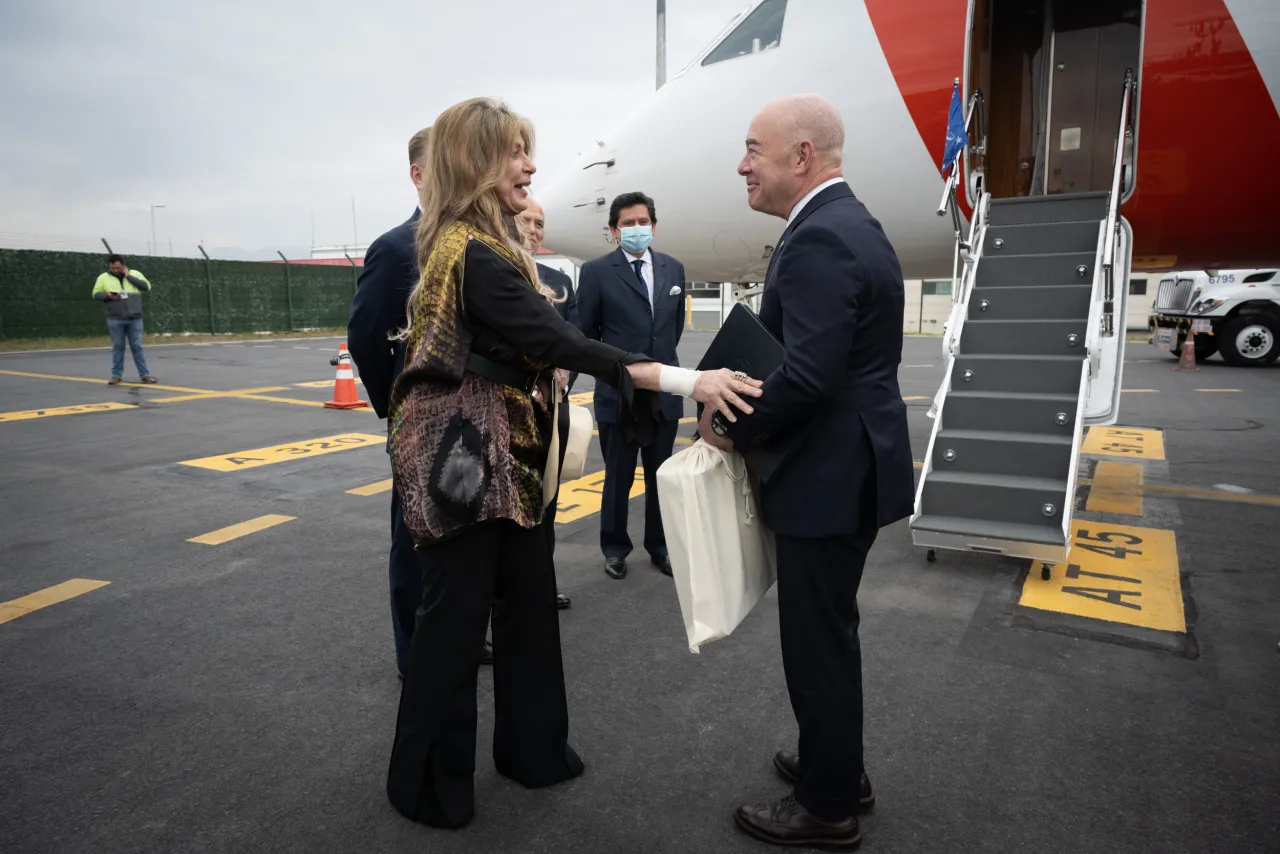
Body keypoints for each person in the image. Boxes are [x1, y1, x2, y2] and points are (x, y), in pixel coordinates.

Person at [383, 96, 761, 831]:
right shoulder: (471, 253)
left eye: (529, 151)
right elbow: (571, 345)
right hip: (464, 465)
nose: (530, 166)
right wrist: (690, 381)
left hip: (510, 456)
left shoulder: (486, 248)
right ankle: (426, 785)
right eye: (514, 154)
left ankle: (534, 752)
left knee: (527, 606)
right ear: (474, 164)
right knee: (454, 623)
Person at [699, 94, 915, 849]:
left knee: (818, 642)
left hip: (826, 474)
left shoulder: (823, 236)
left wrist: (728, 419)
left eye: (753, 148)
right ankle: (838, 766)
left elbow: (811, 376)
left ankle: (827, 808)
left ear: (801, 157)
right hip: (846, 466)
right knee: (831, 632)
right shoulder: (845, 223)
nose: (741, 164)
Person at [347, 126, 433, 680]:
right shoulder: (398, 247)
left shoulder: (479, 239)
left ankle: (460, 640)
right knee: (414, 544)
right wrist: (394, 404)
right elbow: (366, 336)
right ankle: (415, 656)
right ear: (418, 176)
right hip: (419, 427)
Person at [576, 191, 686, 581]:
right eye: (628, 223)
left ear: (653, 226)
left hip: (664, 392)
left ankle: (660, 547)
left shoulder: (674, 269)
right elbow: (585, 335)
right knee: (617, 476)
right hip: (619, 394)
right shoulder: (596, 272)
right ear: (613, 230)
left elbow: (672, 330)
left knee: (662, 477)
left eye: (643, 222)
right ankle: (615, 548)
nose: (637, 229)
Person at [517, 196, 576, 611]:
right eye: (527, 220)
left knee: (548, 498)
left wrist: (566, 368)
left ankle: (541, 582)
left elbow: (571, 339)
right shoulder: (492, 272)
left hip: (552, 408)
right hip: (509, 410)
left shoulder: (559, 281)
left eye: (540, 223)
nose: (535, 229)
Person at [92, 254, 157, 385]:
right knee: (118, 347)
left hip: (135, 318)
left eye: (118, 267)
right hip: (115, 318)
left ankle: (144, 375)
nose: (115, 270)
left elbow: (146, 287)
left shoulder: (135, 274)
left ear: (123, 265)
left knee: (137, 346)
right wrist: (108, 295)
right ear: (109, 266)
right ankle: (116, 376)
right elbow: (95, 294)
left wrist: (129, 276)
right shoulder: (103, 278)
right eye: (113, 268)